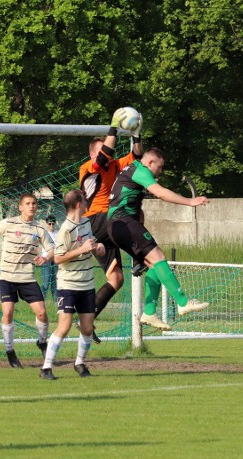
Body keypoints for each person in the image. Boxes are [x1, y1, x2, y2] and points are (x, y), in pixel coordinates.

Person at [106, 147, 210, 332]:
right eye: (159, 167)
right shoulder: (141, 170)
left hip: (118, 225)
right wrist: (190, 201)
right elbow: (160, 193)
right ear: (150, 162)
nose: (159, 172)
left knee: (154, 265)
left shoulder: (132, 170)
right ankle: (183, 302)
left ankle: (149, 312)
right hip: (121, 222)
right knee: (159, 257)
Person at [79, 113, 144, 343]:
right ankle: (139, 255)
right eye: (99, 150)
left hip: (109, 223)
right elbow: (103, 156)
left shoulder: (116, 165)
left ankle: (87, 320)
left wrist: (136, 135)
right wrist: (114, 127)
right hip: (96, 219)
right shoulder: (89, 167)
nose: (105, 153)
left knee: (116, 279)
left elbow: (137, 157)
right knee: (134, 211)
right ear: (91, 153)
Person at [0, 193, 54, 369]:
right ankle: (10, 351)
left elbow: (52, 250)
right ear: (21, 207)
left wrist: (46, 257)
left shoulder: (39, 229)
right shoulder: (9, 223)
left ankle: (42, 342)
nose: (31, 206)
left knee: (41, 313)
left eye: (34, 203)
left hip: (27, 277)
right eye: (27, 203)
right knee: (8, 312)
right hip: (7, 277)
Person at [40, 190, 105, 380]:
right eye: (85, 200)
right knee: (65, 325)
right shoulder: (65, 230)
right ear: (78, 203)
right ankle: (46, 368)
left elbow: (88, 245)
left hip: (87, 283)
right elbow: (58, 258)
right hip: (68, 284)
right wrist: (83, 250)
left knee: (87, 327)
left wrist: (97, 248)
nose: (88, 202)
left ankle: (80, 363)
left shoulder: (85, 222)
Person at [40, 215, 58, 300]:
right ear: (47, 223)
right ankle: (42, 300)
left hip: (55, 260)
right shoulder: (43, 233)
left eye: (53, 223)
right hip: (46, 259)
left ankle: (55, 301)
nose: (51, 225)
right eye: (49, 223)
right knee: (46, 282)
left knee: (55, 282)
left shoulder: (58, 233)